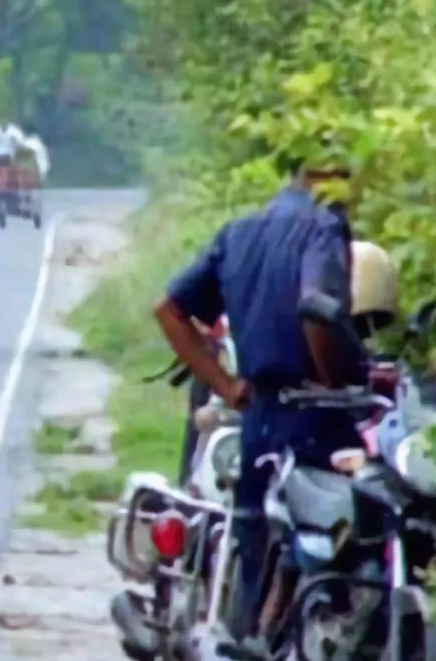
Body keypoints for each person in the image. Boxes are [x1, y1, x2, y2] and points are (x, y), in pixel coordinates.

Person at [152, 159, 366, 650]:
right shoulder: (323, 227)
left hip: (258, 420)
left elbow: (168, 310)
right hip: (315, 418)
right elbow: (317, 307)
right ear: (329, 178)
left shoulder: (240, 232)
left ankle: (242, 636)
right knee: (327, 553)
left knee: (255, 544)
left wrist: (224, 386)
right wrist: (332, 380)